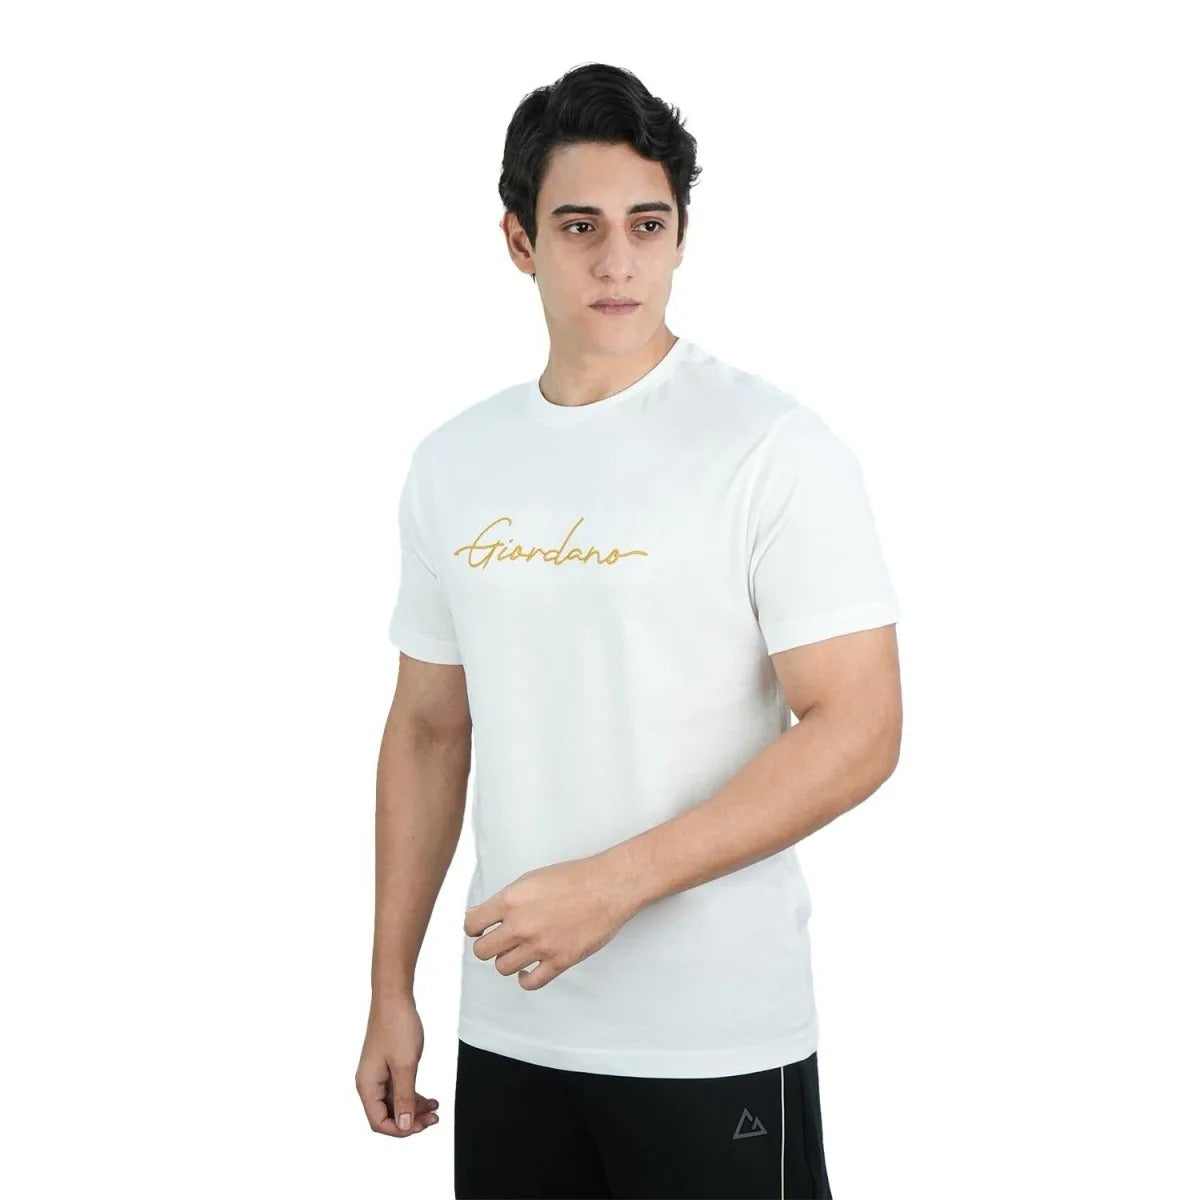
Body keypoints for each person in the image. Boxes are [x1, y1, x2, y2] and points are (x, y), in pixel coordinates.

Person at [355, 62, 903, 1200]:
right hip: (514, 1029)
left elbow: (860, 726)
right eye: (580, 226)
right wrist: (389, 986)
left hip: (713, 1037)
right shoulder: (454, 465)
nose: (618, 261)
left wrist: (618, 884)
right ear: (520, 241)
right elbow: (428, 731)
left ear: (681, 237)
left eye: (647, 225)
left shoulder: (772, 450)